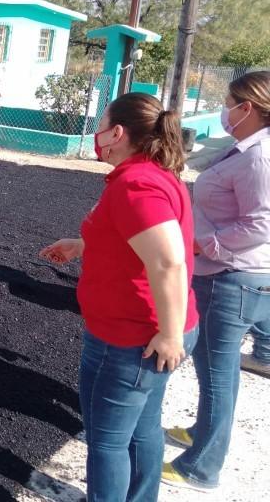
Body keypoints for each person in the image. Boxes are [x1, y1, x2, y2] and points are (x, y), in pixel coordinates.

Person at [39, 93, 199, 502]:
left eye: (101, 123)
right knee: (143, 428)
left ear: (118, 132)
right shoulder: (151, 175)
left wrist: (168, 334)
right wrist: (81, 244)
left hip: (132, 339)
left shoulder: (137, 184)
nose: (97, 133)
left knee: (107, 442)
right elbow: (134, 244)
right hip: (147, 332)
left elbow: (167, 262)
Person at [162, 71, 270, 491]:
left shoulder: (259, 156)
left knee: (218, 373)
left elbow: (261, 222)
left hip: (232, 279)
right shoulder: (249, 149)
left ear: (247, 108)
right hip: (240, 275)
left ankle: (201, 467)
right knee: (214, 370)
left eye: (228, 103)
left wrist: (207, 246)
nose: (225, 110)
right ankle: (203, 432)